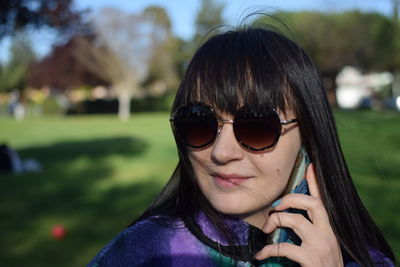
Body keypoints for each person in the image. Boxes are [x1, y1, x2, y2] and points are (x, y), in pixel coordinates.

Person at [88, 22, 396, 266]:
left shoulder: (362, 260)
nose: (222, 153)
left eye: (257, 127)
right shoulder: (145, 253)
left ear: (309, 136)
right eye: (199, 123)